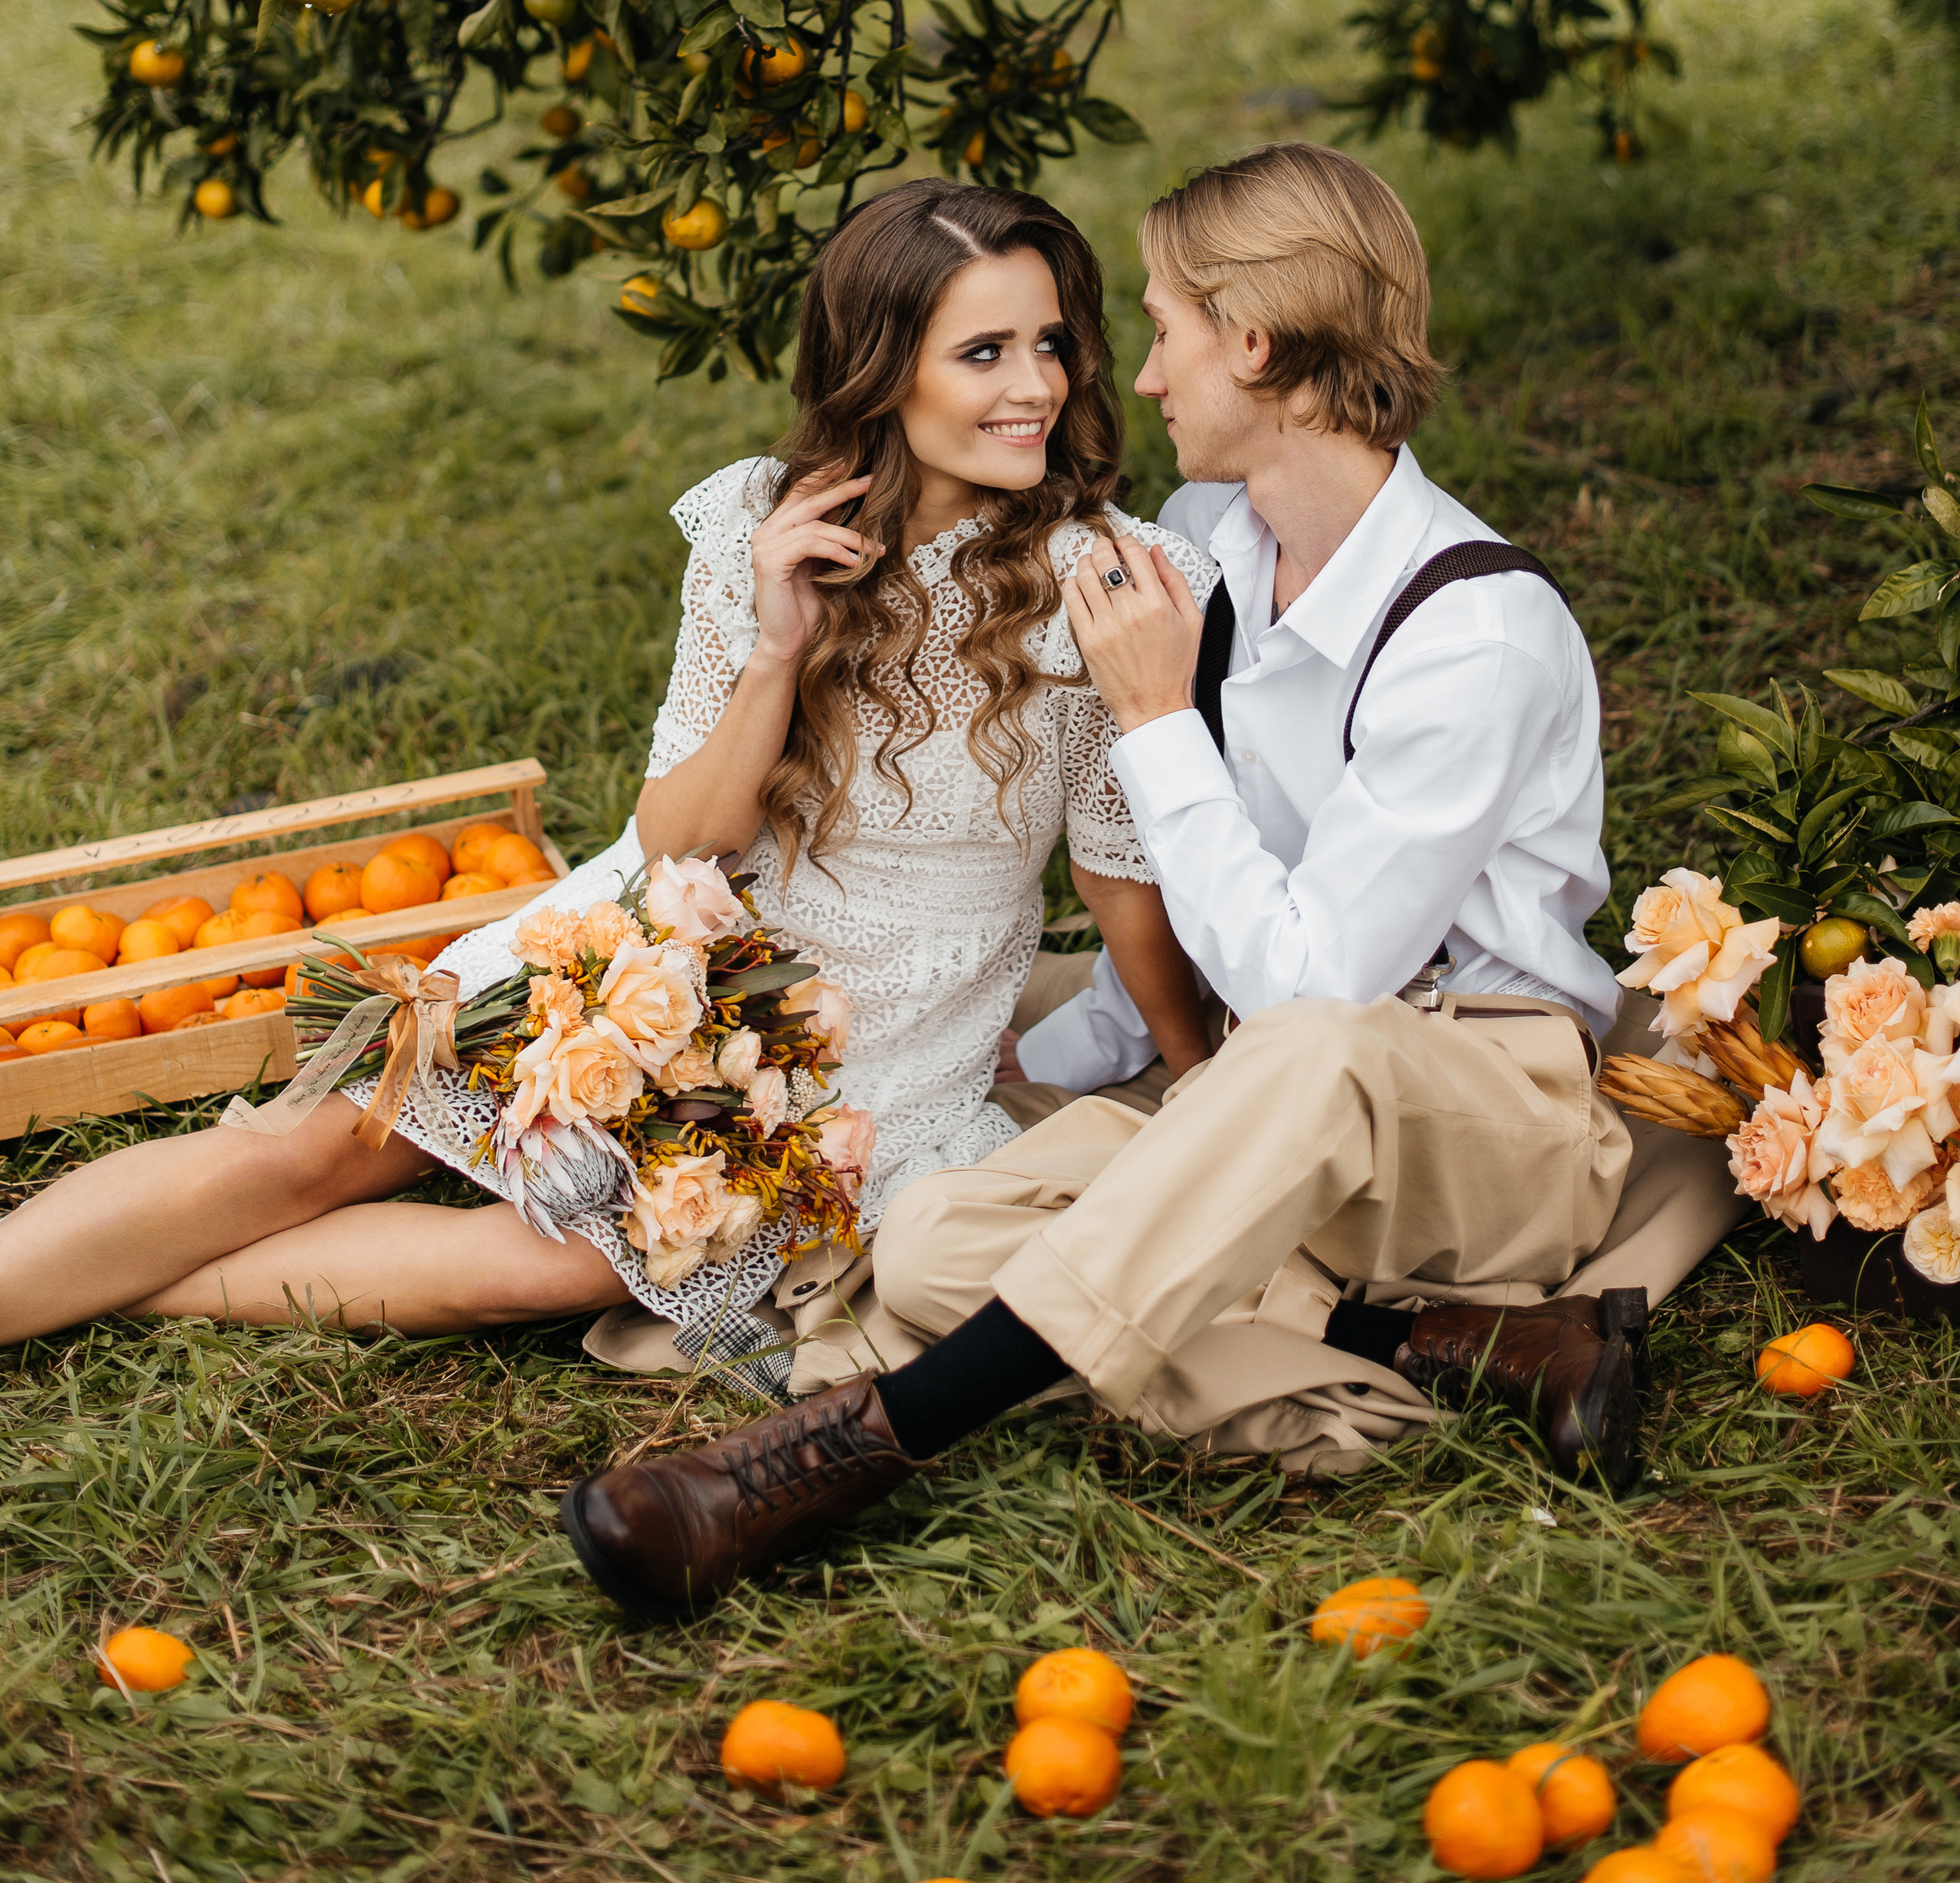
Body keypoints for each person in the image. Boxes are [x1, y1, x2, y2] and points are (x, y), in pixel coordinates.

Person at [560, 142, 1714, 1613]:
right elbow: (1156, 897)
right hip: (1272, 1103)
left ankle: (854, 1447)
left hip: (1481, 1110)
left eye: (1164, 330)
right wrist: (1093, 1052)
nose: (1142, 379)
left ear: (1255, 341)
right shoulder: (1215, 549)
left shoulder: (1473, 633)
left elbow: (1314, 988)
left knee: (1307, 1046)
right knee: (930, 1242)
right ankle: (1451, 1345)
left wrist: (1162, 718)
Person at [0, 179, 1212, 1349]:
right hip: (656, 945)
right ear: (885, 371)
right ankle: (63, 1272)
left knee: (563, 1262)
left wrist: (1202, 1081)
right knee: (310, 1148)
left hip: (879, 1037)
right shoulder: (760, 522)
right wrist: (775, 651)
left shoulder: (1115, 583)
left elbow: (1119, 877)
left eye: (1051, 343)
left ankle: (115, 1275)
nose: (1037, 387)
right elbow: (681, 840)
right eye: (985, 353)